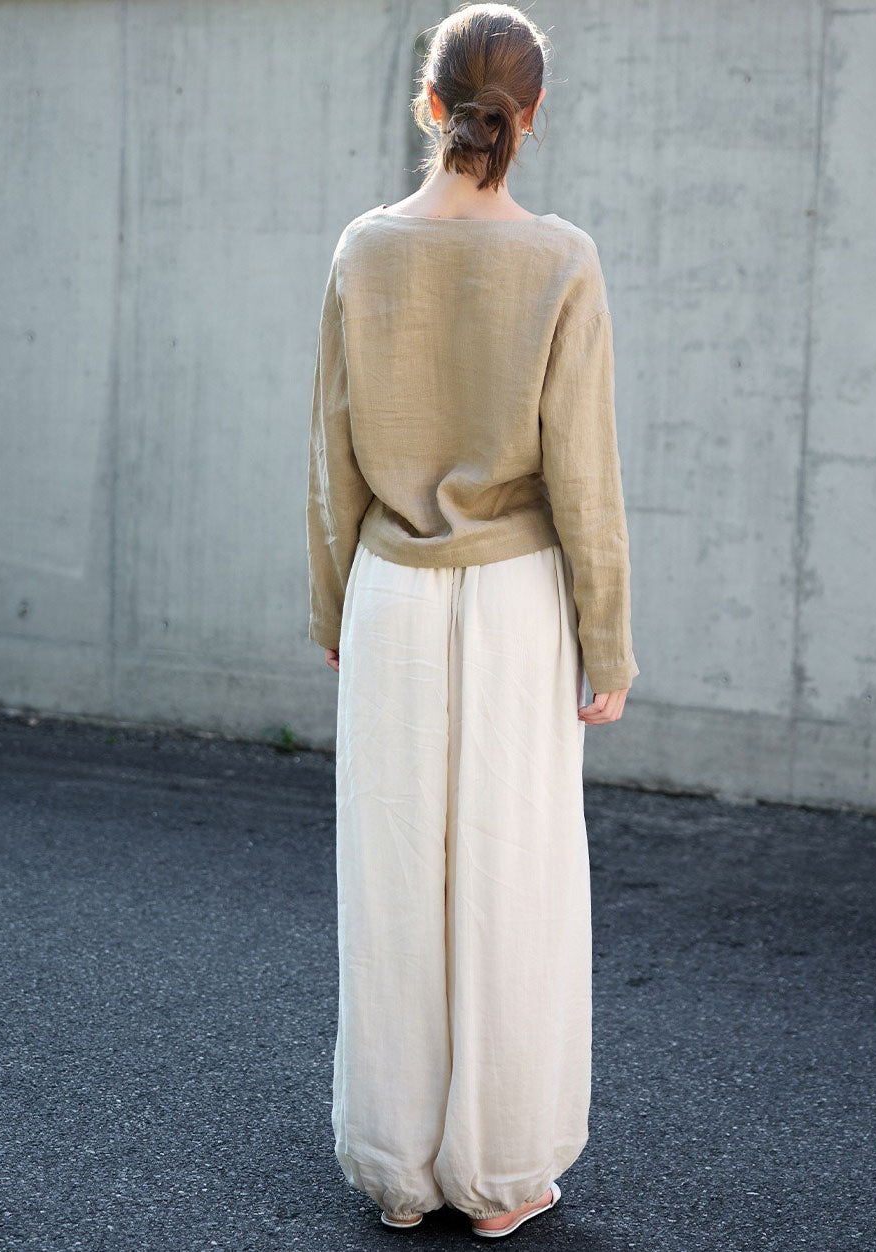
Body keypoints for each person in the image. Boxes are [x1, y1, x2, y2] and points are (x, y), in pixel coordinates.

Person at [306, 1, 639, 1238]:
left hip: (392, 592)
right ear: (530, 117)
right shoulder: (560, 258)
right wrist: (606, 641)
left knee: (393, 877)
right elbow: (584, 471)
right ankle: (500, 1175)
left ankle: (398, 1169)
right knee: (511, 877)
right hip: (515, 601)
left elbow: (329, 451)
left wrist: (334, 599)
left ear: (427, 104)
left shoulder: (362, 249)